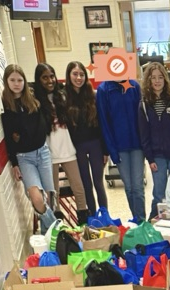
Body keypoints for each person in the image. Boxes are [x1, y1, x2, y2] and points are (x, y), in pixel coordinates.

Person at [0, 64, 57, 231]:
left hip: (43, 152)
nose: (16, 83)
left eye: (20, 80)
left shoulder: (33, 99)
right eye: (12, 80)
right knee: (37, 197)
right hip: (24, 158)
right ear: (6, 81)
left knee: (49, 197)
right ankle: (57, 228)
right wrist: (14, 163)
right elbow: (8, 138)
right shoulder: (5, 106)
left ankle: (50, 237)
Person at [33, 63, 89, 224]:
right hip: (48, 153)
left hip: (68, 150)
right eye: (45, 77)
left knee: (78, 188)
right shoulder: (36, 100)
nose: (50, 80)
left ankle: (83, 224)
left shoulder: (62, 96)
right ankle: (57, 227)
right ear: (39, 79)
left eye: (52, 76)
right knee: (53, 193)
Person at [138, 62, 170, 220]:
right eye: (153, 78)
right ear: (148, 81)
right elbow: (144, 135)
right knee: (159, 192)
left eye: (160, 77)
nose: (157, 81)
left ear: (165, 79)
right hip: (156, 157)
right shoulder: (144, 105)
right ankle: (154, 223)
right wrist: (149, 158)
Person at [96, 72, 145, 222]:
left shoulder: (134, 86)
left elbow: (143, 116)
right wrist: (111, 150)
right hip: (119, 147)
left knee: (137, 187)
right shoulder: (104, 90)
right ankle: (136, 219)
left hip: (137, 145)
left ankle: (141, 221)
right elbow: (104, 122)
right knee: (129, 187)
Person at [63, 61, 108, 220]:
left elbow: (101, 123)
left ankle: (104, 216)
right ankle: (93, 217)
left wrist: (105, 149)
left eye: (82, 74)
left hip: (95, 144)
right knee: (86, 185)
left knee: (98, 183)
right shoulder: (64, 97)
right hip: (77, 147)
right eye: (75, 74)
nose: (79, 77)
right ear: (69, 76)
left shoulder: (93, 95)